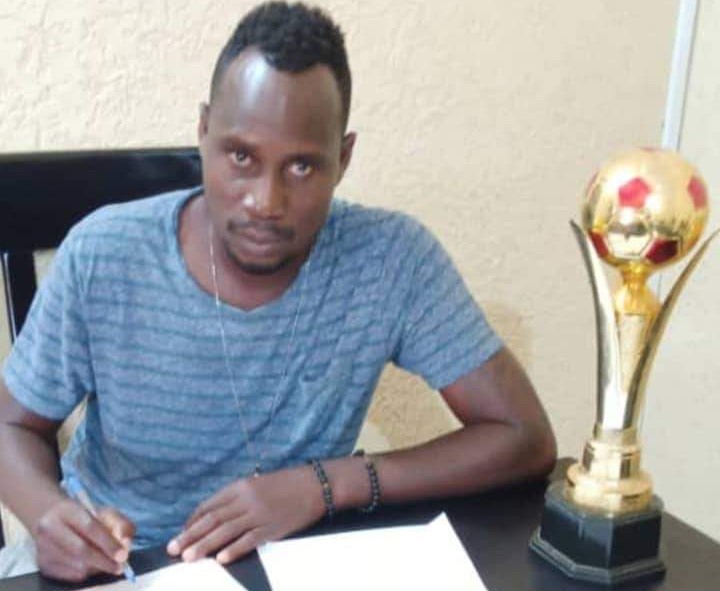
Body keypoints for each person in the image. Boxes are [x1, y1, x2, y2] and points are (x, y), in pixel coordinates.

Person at [0, 1, 556, 582]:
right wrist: (50, 516)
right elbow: (11, 424)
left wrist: (327, 485)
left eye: (301, 168)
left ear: (343, 159)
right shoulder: (104, 254)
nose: (265, 202)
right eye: (242, 156)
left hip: (294, 560)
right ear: (203, 132)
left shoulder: (392, 261)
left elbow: (523, 437)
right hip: (118, 564)